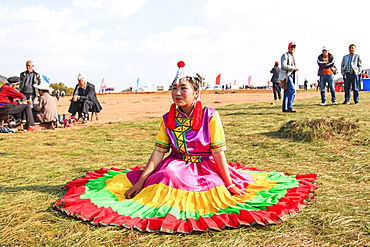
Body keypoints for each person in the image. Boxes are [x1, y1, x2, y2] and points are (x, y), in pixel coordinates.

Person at [54, 61, 318, 233]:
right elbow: (159, 151)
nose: (177, 93)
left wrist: (227, 183)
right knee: (164, 174)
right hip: (176, 163)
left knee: (176, 176)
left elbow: (217, 152)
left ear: (196, 92)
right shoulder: (168, 118)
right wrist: (141, 181)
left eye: (183, 88)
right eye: (174, 88)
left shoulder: (210, 116)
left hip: (205, 166)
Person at [280, 42, 299, 113]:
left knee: (287, 92)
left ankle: (285, 108)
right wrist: (293, 68)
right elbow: (283, 65)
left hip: (290, 75)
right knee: (292, 90)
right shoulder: (285, 55)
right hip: (286, 75)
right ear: (288, 48)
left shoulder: (292, 56)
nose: (293, 48)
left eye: (294, 47)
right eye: (291, 47)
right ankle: (289, 106)